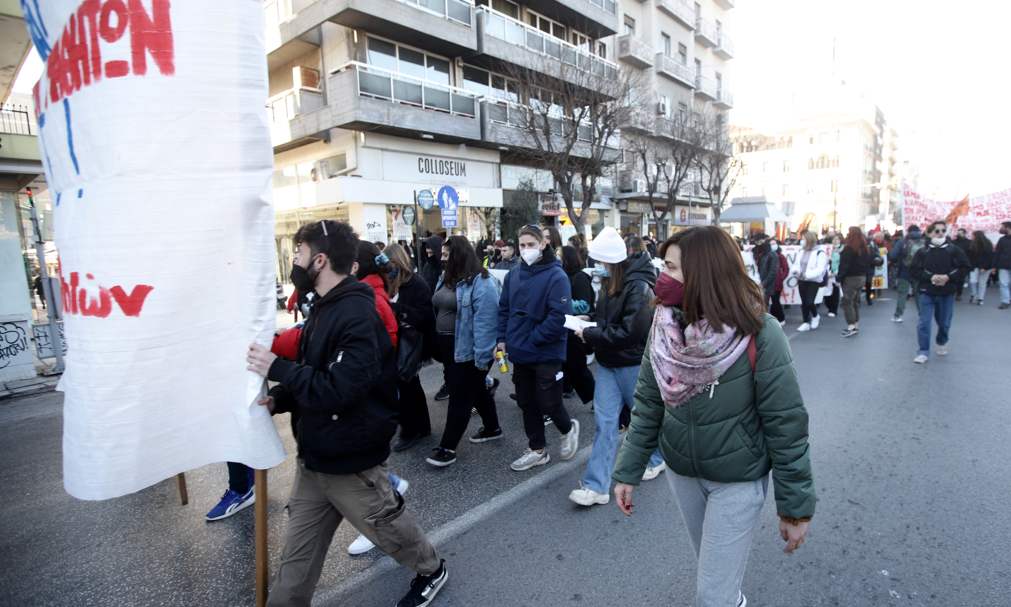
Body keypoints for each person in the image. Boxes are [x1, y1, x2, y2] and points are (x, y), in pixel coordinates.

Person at [247, 220, 447, 607]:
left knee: (390, 532)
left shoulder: (356, 313)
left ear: (320, 260)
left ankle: (432, 569)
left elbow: (341, 390)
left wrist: (276, 368)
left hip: (351, 459)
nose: (294, 261)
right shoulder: (323, 307)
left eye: (299, 254)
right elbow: (317, 370)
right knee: (295, 563)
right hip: (314, 457)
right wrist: (280, 399)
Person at [612, 226, 815, 607]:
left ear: (704, 273)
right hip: (683, 473)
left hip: (737, 481)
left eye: (672, 268)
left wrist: (794, 508)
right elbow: (649, 403)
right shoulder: (664, 329)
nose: (662, 278)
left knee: (711, 596)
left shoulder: (761, 333)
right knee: (716, 581)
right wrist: (628, 469)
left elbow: (786, 424)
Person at [569, 228, 665, 507]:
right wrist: (589, 322)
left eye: (601, 262)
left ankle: (657, 458)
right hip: (610, 362)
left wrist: (591, 334)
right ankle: (596, 486)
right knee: (605, 423)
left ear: (613, 262)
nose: (597, 267)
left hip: (631, 363)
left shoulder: (638, 286)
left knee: (641, 419)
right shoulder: (612, 282)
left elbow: (630, 332)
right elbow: (609, 322)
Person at [496, 225, 579, 471]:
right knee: (526, 402)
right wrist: (502, 338)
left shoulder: (557, 276)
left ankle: (567, 429)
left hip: (546, 351)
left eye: (531, 244)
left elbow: (560, 316)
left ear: (543, 244)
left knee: (549, 401)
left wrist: (531, 339)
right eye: (522, 245)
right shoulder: (513, 274)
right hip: (520, 352)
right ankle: (537, 450)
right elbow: (504, 309)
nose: (526, 250)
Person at [426, 237, 503, 467]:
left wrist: (481, 360)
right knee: (476, 389)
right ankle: (492, 428)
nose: (441, 259)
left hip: (469, 352)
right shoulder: (447, 277)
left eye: (446, 255)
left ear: (459, 255)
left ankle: (447, 448)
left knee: (459, 398)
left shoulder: (483, 282)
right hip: (450, 350)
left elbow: (487, 325)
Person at [384, 244, 435, 452]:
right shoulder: (389, 283)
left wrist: (395, 309)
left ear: (399, 262)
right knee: (410, 385)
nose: (390, 268)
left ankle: (410, 429)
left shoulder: (416, 284)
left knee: (404, 384)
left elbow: (425, 315)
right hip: (399, 343)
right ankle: (421, 427)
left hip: (411, 344)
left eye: (392, 264)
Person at [909, 220, 971, 364]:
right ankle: (923, 351)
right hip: (927, 290)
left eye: (943, 230)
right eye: (937, 231)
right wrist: (931, 277)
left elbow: (965, 267)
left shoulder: (954, 250)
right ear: (929, 233)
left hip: (946, 291)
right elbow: (914, 270)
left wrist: (949, 277)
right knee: (924, 322)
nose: (941, 233)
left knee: (944, 322)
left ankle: (942, 341)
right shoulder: (923, 251)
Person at [560, 245, 595, 409]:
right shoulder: (560, 275)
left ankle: (597, 399)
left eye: (559, 256)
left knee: (577, 368)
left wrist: (560, 302)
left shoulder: (580, 278)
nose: (556, 258)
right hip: (561, 329)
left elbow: (584, 305)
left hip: (575, 330)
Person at [837, 227, 871, 337]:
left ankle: (851, 326)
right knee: (855, 301)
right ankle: (855, 325)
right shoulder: (864, 247)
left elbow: (845, 265)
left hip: (851, 277)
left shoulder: (850, 248)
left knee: (847, 301)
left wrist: (839, 278)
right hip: (861, 276)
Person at [889, 225, 925, 322]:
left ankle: (898, 315)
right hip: (919, 272)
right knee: (918, 294)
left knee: (903, 294)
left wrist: (897, 262)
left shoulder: (902, 242)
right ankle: (923, 314)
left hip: (905, 272)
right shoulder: (924, 242)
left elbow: (893, 256)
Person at [794, 231, 828, 332]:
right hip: (802, 279)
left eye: (803, 239)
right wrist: (795, 271)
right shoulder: (802, 251)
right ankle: (805, 322)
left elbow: (820, 268)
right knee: (804, 302)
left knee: (809, 301)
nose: (801, 241)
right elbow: (797, 264)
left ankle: (815, 315)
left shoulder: (820, 252)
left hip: (813, 280)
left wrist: (808, 275)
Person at [751, 233, 780, 323]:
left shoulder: (772, 255)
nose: (759, 244)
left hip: (764, 286)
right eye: (757, 242)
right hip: (753, 284)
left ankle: (764, 325)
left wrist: (763, 284)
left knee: (763, 307)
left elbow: (773, 272)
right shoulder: (753, 253)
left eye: (761, 242)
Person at [967, 230, 994, 306]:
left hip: (984, 267)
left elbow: (989, 257)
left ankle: (980, 298)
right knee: (972, 281)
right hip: (975, 266)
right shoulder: (973, 244)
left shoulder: (987, 244)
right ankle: (974, 294)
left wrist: (985, 267)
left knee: (982, 283)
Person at [823, 234, 843, 317]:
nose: (835, 241)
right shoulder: (829, 249)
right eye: (834, 239)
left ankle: (833, 309)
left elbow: (842, 263)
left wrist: (835, 273)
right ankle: (829, 306)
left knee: (835, 292)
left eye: (837, 239)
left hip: (836, 274)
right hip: (827, 272)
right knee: (826, 292)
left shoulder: (843, 250)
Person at [993, 221, 1011, 309]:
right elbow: (997, 253)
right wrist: (994, 266)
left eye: (1003, 227)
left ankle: (1008, 299)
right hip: (1003, 265)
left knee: (1006, 284)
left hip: (1004, 264)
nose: (1001, 229)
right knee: (1003, 284)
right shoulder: (1002, 239)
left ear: (1008, 228)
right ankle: (1005, 301)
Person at [952, 228, 972, 301]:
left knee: (961, 279)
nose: (958, 234)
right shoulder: (953, 242)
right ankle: (953, 291)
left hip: (963, 263)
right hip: (954, 263)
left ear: (964, 234)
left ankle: (959, 293)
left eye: (960, 233)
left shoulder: (969, 242)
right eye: (958, 233)